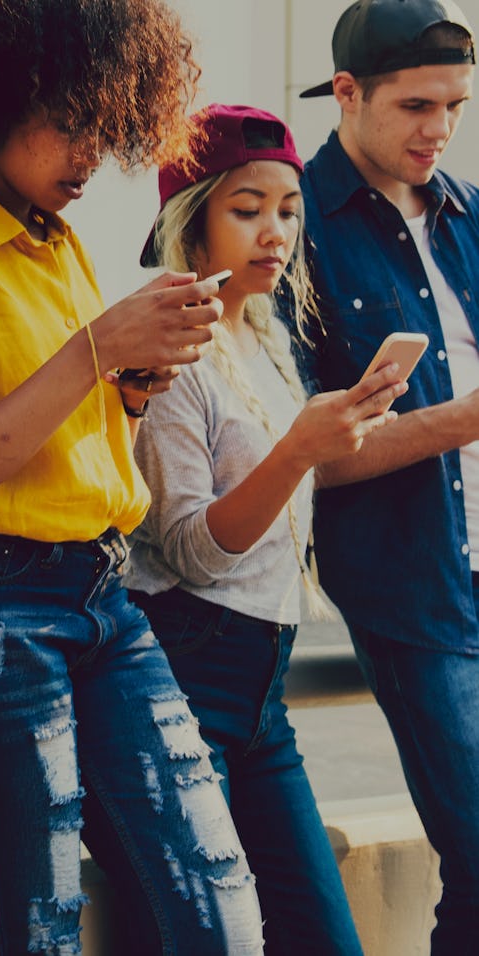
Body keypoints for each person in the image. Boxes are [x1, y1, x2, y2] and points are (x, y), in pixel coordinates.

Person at [0, 1, 269, 953]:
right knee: (36, 926)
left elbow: (81, 453)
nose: (95, 153)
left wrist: (129, 389)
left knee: (219, 902)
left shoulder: (62, 239)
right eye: (73, 118)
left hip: (105, 593)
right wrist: (98, 349)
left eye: (111, 121)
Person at [122, 103, 405, 955]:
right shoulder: (169, 343)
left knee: (325, 938)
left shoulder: (265, 333)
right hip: (184, 673)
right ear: (191, 214)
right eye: (247, 210)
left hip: (264, 694)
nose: (274, 232)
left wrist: (340, 431)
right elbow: (193, 551)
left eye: (287, 210)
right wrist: (299, 449)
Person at [295, 0, 479, 951]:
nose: (439, 130)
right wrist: (461, 421)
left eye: (454, 104)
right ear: (347, 92)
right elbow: (290, 459)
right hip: (413, 585)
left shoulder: (467, 212)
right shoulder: (294, 229)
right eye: (414, 106)